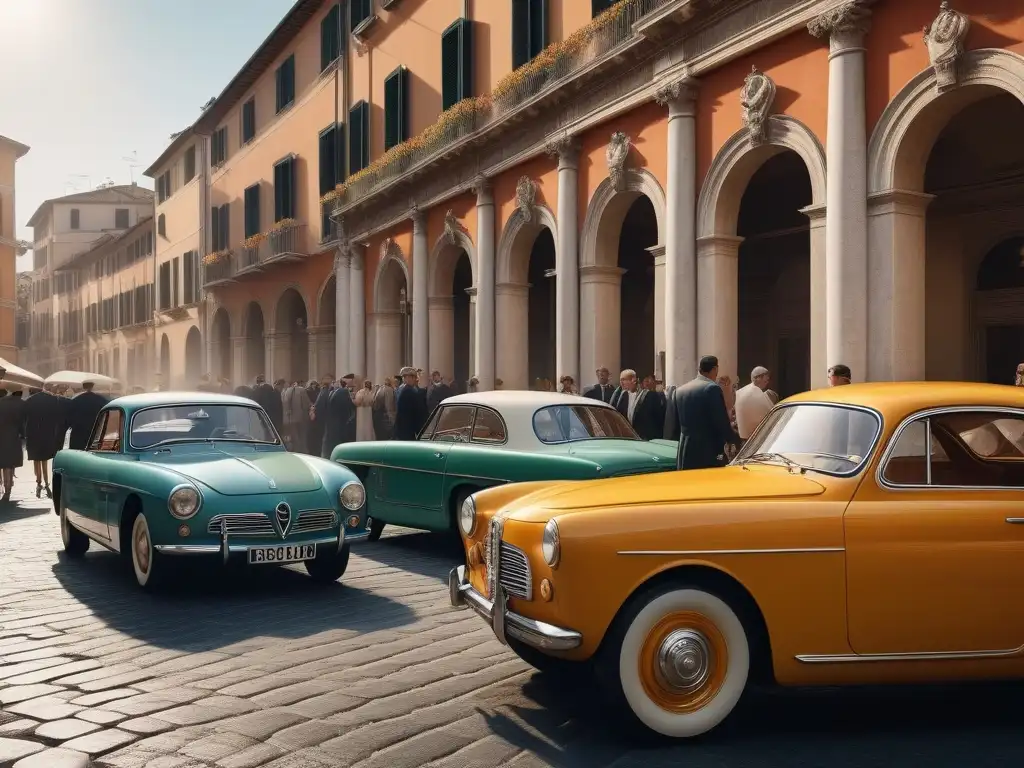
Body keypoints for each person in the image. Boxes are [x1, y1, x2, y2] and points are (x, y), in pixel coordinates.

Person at [670, 356, 739, 470]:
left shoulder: (680, 390)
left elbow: (675, 425)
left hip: (684, 449)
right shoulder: (712, 389)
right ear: (714, 369)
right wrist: (732, 439)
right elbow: (720, 420)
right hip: (707, 449)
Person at [24, 387, 67, 498]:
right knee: (45, 459)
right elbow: (58, 416)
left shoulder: (29, 401)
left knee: (36, 459)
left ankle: (38, 482)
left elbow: (25, 418)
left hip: (33, 433)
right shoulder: (52, 400)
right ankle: (47, 482)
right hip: (48, 433)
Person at [611, 370, 662, 441]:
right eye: (620, 380)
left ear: (633, 380)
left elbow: (658, 419)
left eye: (624, 380)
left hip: (645, 439)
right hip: (626, 438)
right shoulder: (622, 396)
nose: (621, 383)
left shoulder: (650, 396)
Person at [734, 366, 774, 448]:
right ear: (758, 378)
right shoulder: (757, 392)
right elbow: (771, 413)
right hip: (756, 440)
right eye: (765, 380)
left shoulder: (739, 392)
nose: (767, 382)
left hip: (741, 438)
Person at [67, 381, 108, 451]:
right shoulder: (100, 399)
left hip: (79, 430)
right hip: (94, 429)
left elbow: (69, 415)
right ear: (92, 387)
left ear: (83, 387)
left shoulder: (76, 400)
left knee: (78, 451)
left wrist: (71, 425)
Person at [0, 389, 25, 501]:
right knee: (8, 464)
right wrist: (23, 434)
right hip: (12, 436)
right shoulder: (14, 405)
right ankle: (8, 487)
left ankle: (3, 483)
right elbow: (20, 422)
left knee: (3, 462)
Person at [321, 379, 355, 458]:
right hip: (335, 420)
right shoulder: (337, 392)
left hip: (336, 419)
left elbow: (345, 405)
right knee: (335, 438)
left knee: (335, 438)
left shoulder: (338, 392)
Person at [394, 367, 428, 440]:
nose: (415, 380)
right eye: (413, 377)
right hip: (408, 430)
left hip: (403, 429)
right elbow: (417, 412)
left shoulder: (402, 390)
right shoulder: (408, 391)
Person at [281, 381, 311, 452]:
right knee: (302, 436)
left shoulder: (284, 392)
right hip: (301, 417)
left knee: (293, 437)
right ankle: (302, 450)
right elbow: (306, 404)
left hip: (289, 419)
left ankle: (295, 450)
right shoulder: (302, 390)